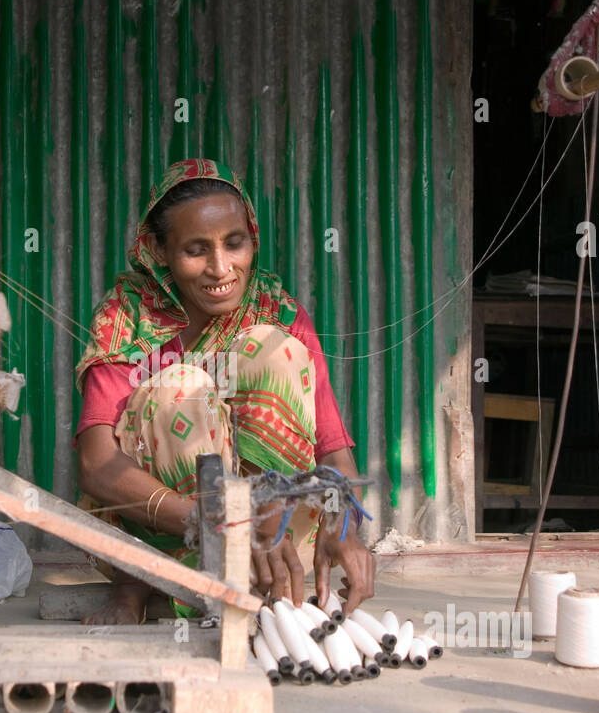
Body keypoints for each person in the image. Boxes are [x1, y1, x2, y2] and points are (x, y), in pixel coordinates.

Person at [74, 159, 375, 625]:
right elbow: (95, 465)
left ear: (251, 237)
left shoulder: (275, 310)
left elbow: (329, 446)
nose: (221, 268)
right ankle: (152, 583)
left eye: (234, 243)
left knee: (275, 350)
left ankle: (254, 575)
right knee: (181, 386)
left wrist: (343, 524)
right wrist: (219, 523)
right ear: (159, 250)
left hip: (271, 537)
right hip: (166, 535)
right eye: (196, 250)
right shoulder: (127, 317)